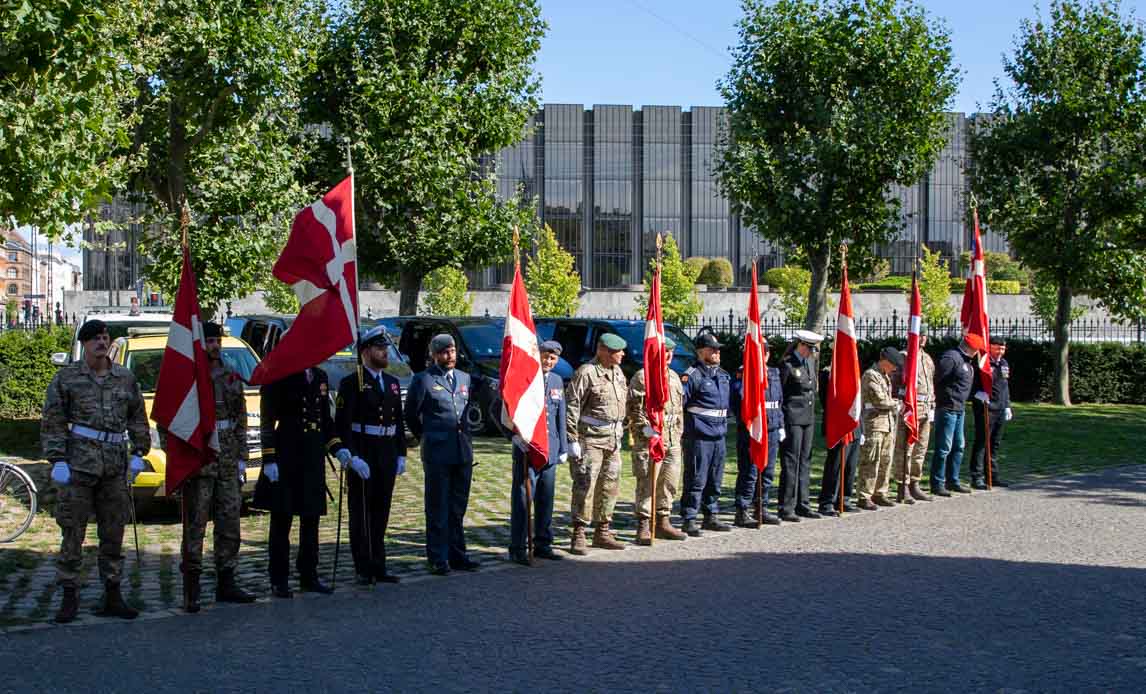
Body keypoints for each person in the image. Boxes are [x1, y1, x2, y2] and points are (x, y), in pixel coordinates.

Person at [41, 319, 150, 623]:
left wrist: (140, 452)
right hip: (79, 466)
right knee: (73, 531)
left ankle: (113, 593)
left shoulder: (124, 378)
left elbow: (137, 417)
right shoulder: (67, 378)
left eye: (104, 338)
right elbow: (53, 420)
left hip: (114, 466)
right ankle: (69, 595)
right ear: (84, 344)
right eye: (95, 339)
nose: (102, 343)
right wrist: (57, 459)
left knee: (114, 531)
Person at [176, 321, 256, 612]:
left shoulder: (231, 375)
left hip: (227, 455)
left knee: (230, 520)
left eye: (217, 341)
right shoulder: (190, 375)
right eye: (209, 341)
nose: (214, 346)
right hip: (201, 456)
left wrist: (242, 455)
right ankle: (192, 585)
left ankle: (227, 579)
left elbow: (241, 417)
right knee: (196, 523)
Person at [254, 365, 346, 597]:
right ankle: (279, 579)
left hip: (312, 455)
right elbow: (267, 420)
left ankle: (309, 574)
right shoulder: (279, 375)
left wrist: (338, 449)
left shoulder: (320, 376)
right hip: (287, 454)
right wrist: (269, 458)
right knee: (282, 520)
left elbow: (325, 419)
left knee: (311, 518)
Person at [336, 326, 407, 585]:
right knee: (362, 512)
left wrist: (401, 453)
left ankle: (379, 563)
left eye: (385, 348)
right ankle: (363, 566)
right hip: (364, 450)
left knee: (381, 511)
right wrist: (351, 456)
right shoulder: (352, 382)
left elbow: (398, 422)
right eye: (379, 348)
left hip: (386, 451)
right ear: (365, 352)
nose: (384, 352)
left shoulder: (392, 383)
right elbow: (343, 424)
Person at [405, 334, 480, 575]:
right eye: (445, 352)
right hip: (437, 452)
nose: (451, 357)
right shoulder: (423, 380)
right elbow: (411, 415)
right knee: (438, 507)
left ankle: (458, 554)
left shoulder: (464, 378)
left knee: (458, 507)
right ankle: (437, 557)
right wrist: (427, 436)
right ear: (434, 355)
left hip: (462, 452)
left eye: (453, 351)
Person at [495, 340, 570, 564]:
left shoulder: (556, 380)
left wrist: (563, 447)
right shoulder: (523, 378)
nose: (548, 361)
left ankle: (542, 543)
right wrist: (513, 437)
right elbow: (498, 410)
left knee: (546, 499)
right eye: (545, 356)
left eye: (552, 358)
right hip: (527, 448)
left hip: (550, 449)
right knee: (523, 499)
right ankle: (517, 547)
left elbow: (560, 416)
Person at [565, 333, 629, 554]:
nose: (622, 354)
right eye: (617, 351)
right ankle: (579, 532)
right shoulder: (587, 373)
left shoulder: (617, 372)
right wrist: (571, 438)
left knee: (610, 485)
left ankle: (603, 530)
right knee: (586, 485)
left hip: (613, 439)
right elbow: (572, 405)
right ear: (603, 351)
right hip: (590, 439)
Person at [627, 337, 687, 544]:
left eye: (671, 351)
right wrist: (649, 432)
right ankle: (644, 524)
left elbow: (679, 411)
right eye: (664, 351)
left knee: (669, 481)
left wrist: (678, 435)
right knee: (647, 482)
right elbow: (635, 411)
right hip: (650, 439)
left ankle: (663, 520)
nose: (668, 355)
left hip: (672, 438)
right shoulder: (643, 377)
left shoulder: (674, 377)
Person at [680, 333, 734, 536]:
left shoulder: (722, 375)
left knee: (715, 478)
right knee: (696, 478)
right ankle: (689, 517)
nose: (717, 352)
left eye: (718, 349)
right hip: (699, 436)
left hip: (718, 434)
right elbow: (681, 404)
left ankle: (711, 515)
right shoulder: (692, 375)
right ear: (700, 351)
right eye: (712, 349)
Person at [730, 341, 785, 527]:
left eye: (764, 353)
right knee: (750, 472)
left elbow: (779, 402)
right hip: (752, 430)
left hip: (771, 428)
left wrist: (781, 425)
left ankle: (761, 506)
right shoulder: (743, 374)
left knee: (767, 471)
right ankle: (742, 510)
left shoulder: (774, 373)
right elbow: (739, 401)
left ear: (768, 355)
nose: (762, 357)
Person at [778, 330, 824, 522]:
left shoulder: (810, 363)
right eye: (809, 348)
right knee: (791, 461)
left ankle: (803, 504)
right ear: (801, 345)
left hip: (807, 419)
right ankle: (786, 506)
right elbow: (781, 394)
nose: (811, 353)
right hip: (792, 418)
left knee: (805, 460)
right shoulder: (787, 365)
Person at [930, 335, 982, 496]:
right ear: (968, 347)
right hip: (947, 408)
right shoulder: (951, 358)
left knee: (958, 446)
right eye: (975, 350)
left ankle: (953, 480)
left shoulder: (966, 360)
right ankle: (937, 482)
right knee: (944, 447)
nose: (977, 353)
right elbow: (937, 380)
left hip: (959, 409)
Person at [855, 347, 904, 510]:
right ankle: (864, 495)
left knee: (885, 460)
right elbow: (880, 400)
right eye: (893, 365)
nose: (895, 369)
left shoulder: (884, 376)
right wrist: (896, 403)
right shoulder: (871, 375)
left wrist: (893, 404)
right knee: (871, 460)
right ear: (884, 361)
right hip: (874, 424)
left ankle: (880, 492)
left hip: (887, 423)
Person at [892, 333, 936, 504]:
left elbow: (931, 382)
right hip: (911, 407)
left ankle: (915, 484)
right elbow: (895, 383)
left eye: (925, 335)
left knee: (921, 448)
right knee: (905, 449)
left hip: (926, 406)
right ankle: (902, 486)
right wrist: (900, 403)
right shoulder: (904, 357)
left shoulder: (927, 358)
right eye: (920, 334)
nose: (923, 338)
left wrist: (932, 404)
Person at [816, 363, 863, 516]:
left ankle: (844, 498)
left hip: (853, 424)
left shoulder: (852, 367)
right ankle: (828, 501)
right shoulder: (827, 373)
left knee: (850, 465)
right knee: (836, 464)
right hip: (837, 424)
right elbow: (826, 400)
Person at [969, 336, 1012, 489]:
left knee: (994, 444)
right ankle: (977, 477)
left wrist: (1007, 405)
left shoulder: (1003, 364)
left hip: (1000, 408)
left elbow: (1004, 386)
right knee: (982, 442)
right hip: (986, 408)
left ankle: (992, 476)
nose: (1000, 351)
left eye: (1003, 348)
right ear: (990, 347)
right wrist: (978, 395)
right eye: (997, 348)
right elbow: (972, 384)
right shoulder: (982, 363)